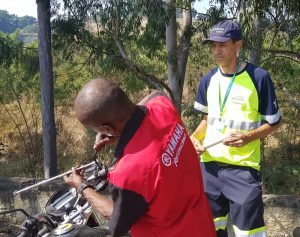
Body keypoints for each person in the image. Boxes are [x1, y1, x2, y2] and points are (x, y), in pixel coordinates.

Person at [64, 79, 216, 237]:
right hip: (203, 224)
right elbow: (152, 97)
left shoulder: (127, 173)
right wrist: (119, 131)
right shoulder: (162, 105)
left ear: (106, 128)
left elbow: (117, 224)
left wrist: (82, 187)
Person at [190, 20, 281, 237]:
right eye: (213, 45)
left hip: (243, 169)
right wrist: (193, 138)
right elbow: (207, 120)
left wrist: (248, 137)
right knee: (209, 230)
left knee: (249, 233)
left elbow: (275, 122)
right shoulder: (208, 79)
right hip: (209, 168)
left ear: (238, 45)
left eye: (222, 45)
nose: (216, 50)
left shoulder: (259, 77)